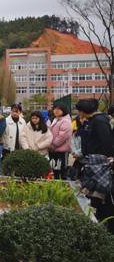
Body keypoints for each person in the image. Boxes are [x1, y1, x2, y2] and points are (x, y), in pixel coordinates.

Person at [75, 98, 114, 233]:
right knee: (94, 195)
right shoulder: (92, 121)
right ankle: (98, 222)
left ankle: (105, 226)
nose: (78, 113)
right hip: (93, 162)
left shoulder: (99, 121)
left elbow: (107, 142)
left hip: (100, 164)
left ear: (83, 111)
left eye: (79, 110)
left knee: (101, 195)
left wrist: (105, 161)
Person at [47, 103, 72, 179]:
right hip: (53, 149)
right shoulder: (54, 119)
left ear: (64, 110)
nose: (56, 111)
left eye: (59, 109)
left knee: (61, 169)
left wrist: (53, 145)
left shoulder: (66, 121)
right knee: (54, 169)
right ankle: (56, 182)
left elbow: (63, 136)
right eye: (55, 109)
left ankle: (62, 183)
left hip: (61, 151)